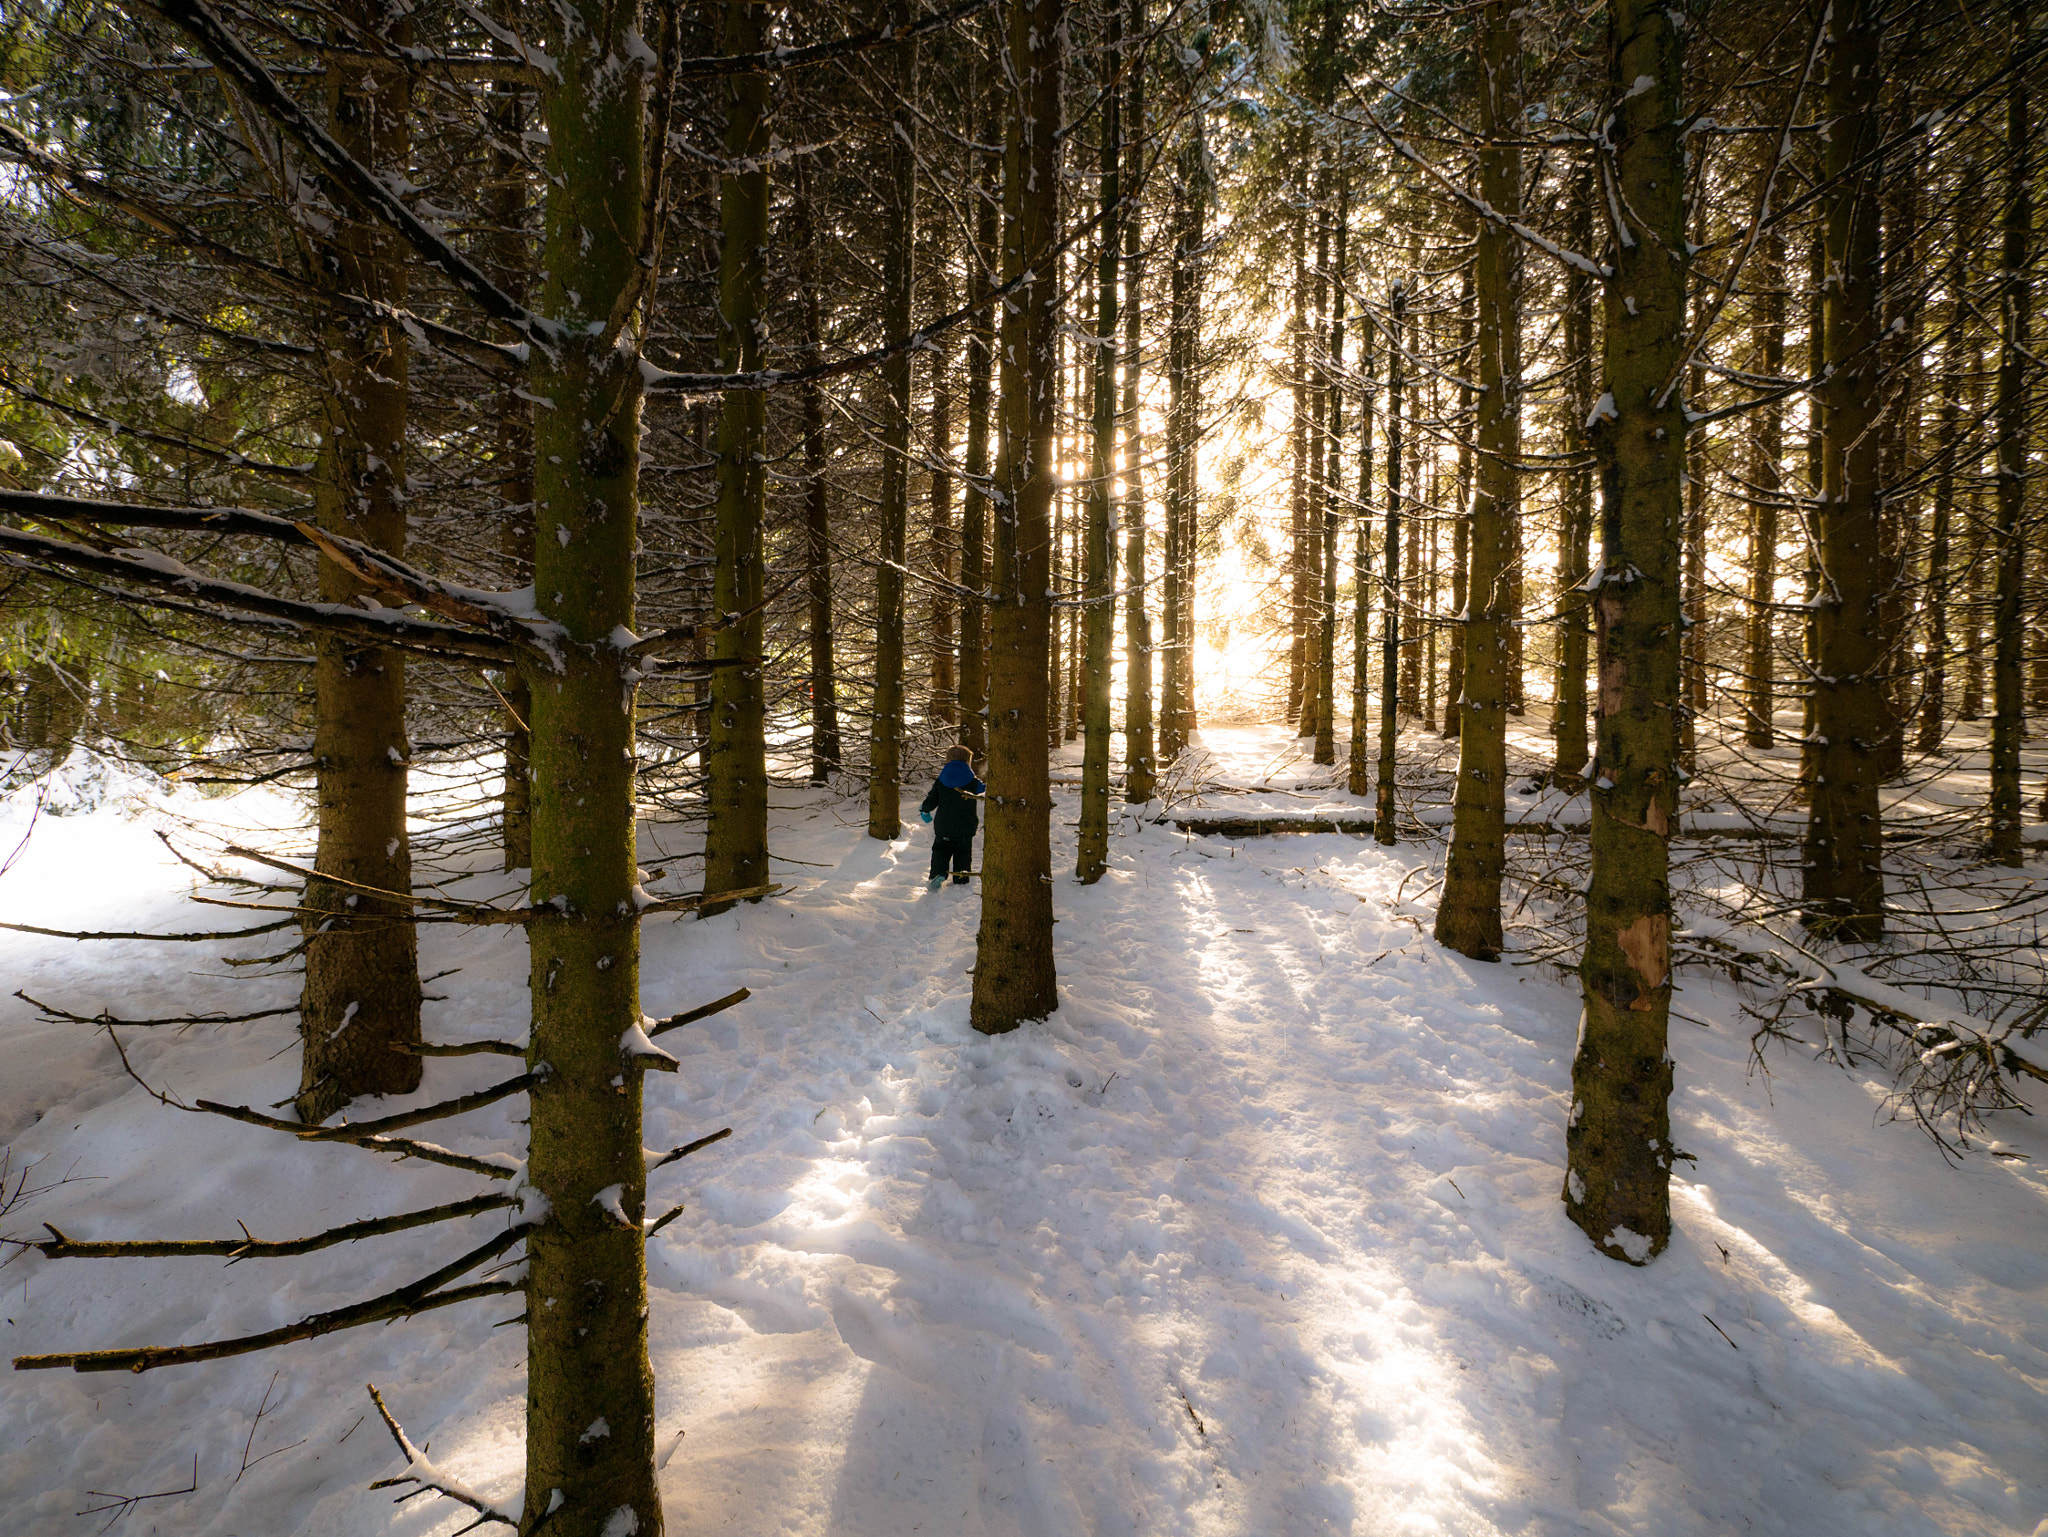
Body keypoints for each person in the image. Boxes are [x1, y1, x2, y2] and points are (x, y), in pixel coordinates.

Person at [918, 744, 983, 890]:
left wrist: (925, 810)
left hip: (944, 825)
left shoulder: (941, 780)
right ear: (968, 762)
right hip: (966, 825)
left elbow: (932, 798)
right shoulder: (972, 782)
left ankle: (938, 873)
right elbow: (984, 791)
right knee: (963, 852)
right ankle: (961, 877)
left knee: (941, 850)